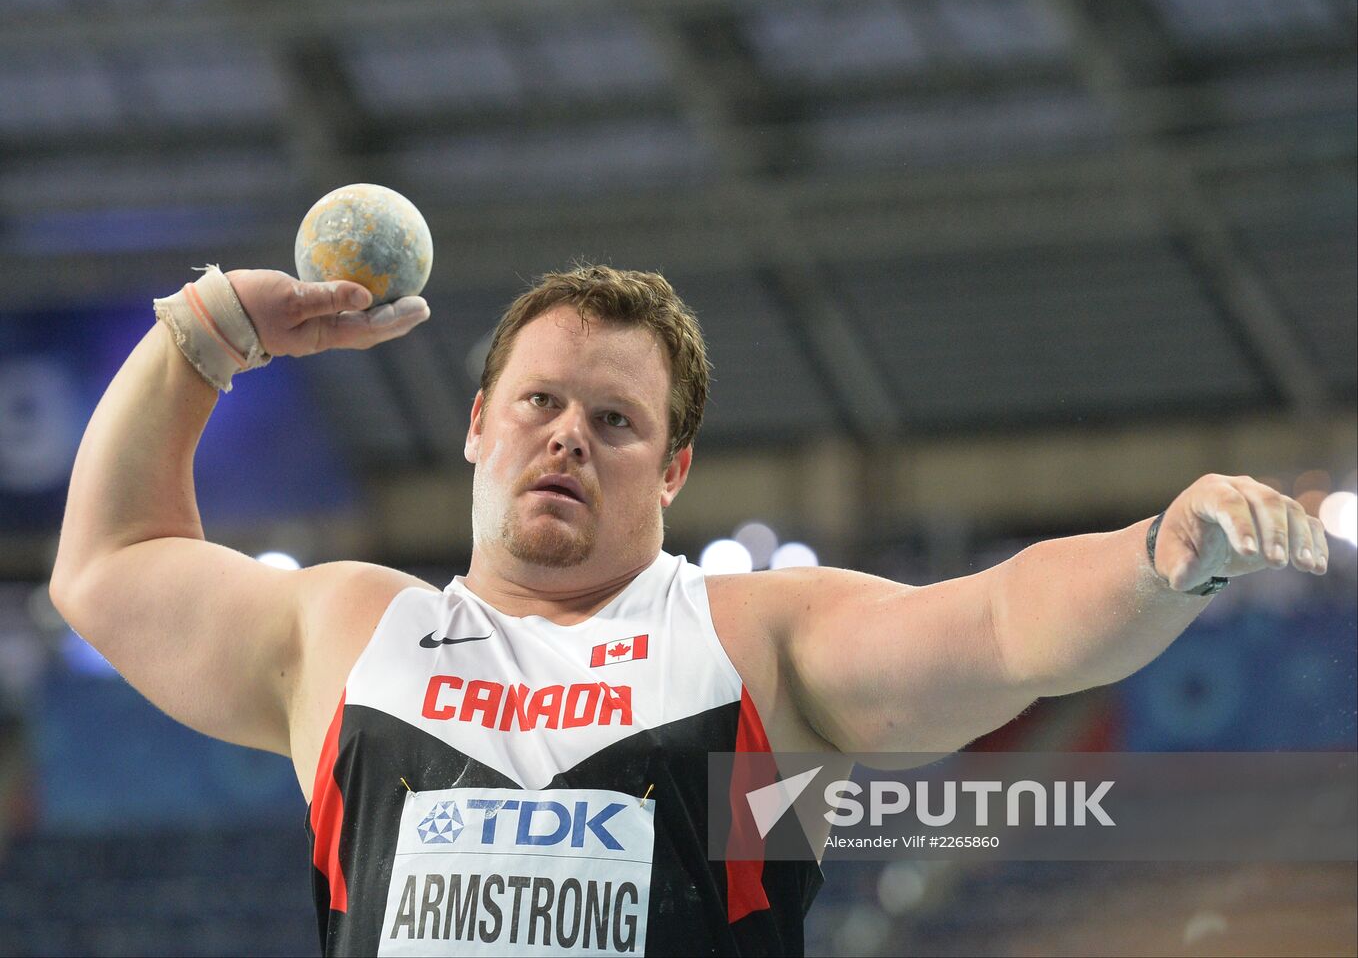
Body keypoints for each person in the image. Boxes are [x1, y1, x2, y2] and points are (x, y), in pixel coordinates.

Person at [50, 263, 1329, 956]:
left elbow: (998, 626)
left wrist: (1159, 554)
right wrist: (200, 339)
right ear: (477, 428)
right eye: (540, 404)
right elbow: (107, 567)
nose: (567, 439)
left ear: (668, 472)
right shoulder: (346, 635)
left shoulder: (750, 640)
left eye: (614, 422)